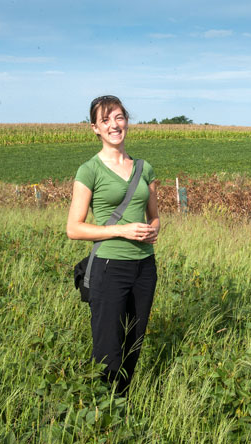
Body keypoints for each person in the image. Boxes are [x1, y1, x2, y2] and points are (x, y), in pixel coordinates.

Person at [67, 95, 159, 395]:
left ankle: (123, 400)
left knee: (134, 340)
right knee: (108, 345)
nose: (114, 125)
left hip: (145, 267)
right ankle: (104, 409)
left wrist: (152, 230)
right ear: (95, 128)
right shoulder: (89, 170)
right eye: (105, 120)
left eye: (118, 117)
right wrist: (123, 230)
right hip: (109, 266)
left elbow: (155, 217)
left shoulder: (144, 169)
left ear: (127, 121)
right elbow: (74, 229)